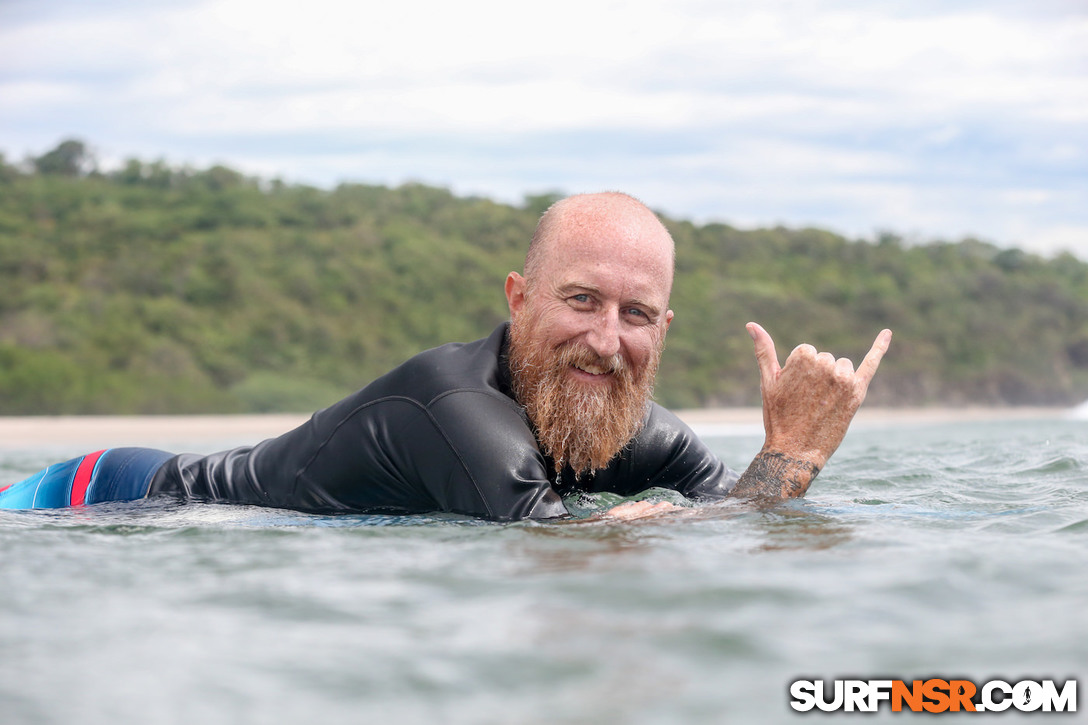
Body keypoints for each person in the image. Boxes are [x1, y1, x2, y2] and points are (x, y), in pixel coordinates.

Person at [0, 192, 891, 521]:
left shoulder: (650, 435)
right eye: (580, 300)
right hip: (125, 497)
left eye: (636, 313)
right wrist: (789, 460)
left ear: (664, 329)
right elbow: (558, 539)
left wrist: (781, 476)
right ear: (517, 297)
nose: (606, 337)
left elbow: (738, 519)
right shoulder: (454, 407)